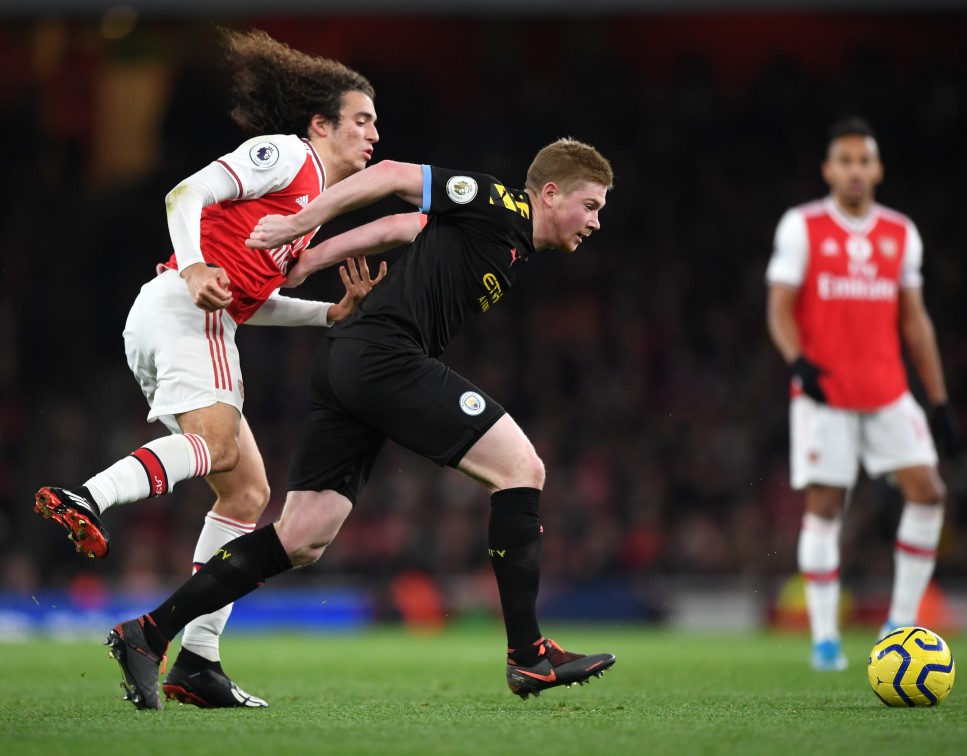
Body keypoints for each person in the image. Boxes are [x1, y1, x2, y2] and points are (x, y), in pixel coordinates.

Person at [103, 138, 618, 710]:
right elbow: (394, 176)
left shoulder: (507, 239)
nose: (596, 222)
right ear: (549, 193)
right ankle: (528, 653)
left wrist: (308, 262)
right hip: (384, 355)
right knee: (522, 469)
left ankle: (147, 634)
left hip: (347, 358)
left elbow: (401, 226)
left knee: (302, 537)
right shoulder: (501, 204)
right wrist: (301, 221)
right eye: (591, 206)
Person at [33, 28, 397, 708]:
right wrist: (196, 263)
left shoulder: (307, 211)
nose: (374, 134)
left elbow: (252, 302)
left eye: (376, 123)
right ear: (321, 124)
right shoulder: (287, 157)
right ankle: (88, 497)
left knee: (247, 494)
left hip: (191, 315)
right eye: (361, 120)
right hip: (182, 305)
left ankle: (197, 659)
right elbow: (183, 195)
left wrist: (328, 316)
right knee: (223, 447)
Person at [765, 117, 962, 671]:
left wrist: (939, 400)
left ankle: (900, 622)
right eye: (844, 161)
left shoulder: (901, 232)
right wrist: (799, 363)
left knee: (928, 490)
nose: (854, 170)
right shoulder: (802, 226)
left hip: (887, 390)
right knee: (826, 506)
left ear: (877, 169)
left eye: (863, 161)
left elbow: (916, 321)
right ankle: (825, 638)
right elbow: (780, 308)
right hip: (825, 391)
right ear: (829, 169)